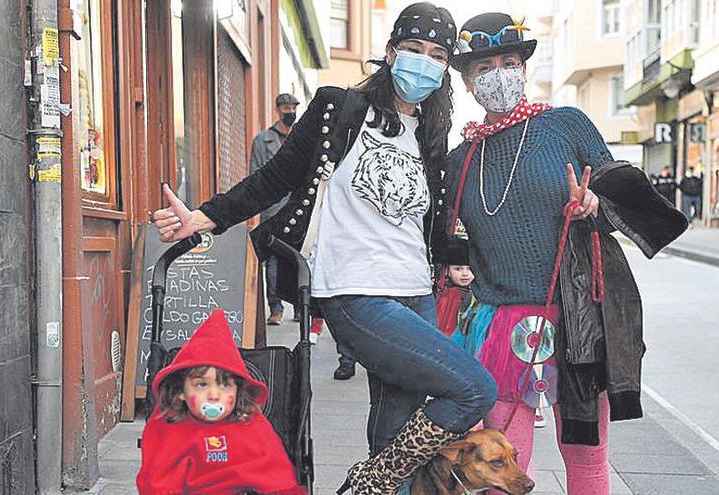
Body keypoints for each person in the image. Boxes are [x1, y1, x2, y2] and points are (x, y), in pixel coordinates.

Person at [152, 3, 496, 494]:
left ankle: (376, 482)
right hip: (356, 292)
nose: (424, 62)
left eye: (437, 55)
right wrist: (205, 217)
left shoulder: (432, 134)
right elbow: (277, 176)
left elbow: (435, 233)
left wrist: (487, 255)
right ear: (391, 51)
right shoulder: (341, 107)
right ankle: (364, 484)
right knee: (474, 389)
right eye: (414, 49)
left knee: (395, 426)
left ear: (445, 68)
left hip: (417, 291)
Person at [446, 13, 687, 495]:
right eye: (485, 65)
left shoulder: (565, 126)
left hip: (577, 319)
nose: (498, 73)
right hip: (500, 328)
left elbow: (629, 203)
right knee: (501, 468)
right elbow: (450, 242)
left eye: (508, 61)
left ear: (523, 68)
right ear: (468, 80)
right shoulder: (460, 159)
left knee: (586, 457)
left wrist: (595, 205)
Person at [136, 309, 306, 495]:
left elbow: (275, 474)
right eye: (201, 384)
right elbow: (159, 480)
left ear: (237, 390)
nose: (214, 395)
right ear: (181, 392)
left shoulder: (252, 425)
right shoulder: (171, 428)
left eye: (225, 385)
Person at [251, 93, 300, 326]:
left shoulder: (302, 136)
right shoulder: (263, 140)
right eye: (287, 108)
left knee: (300, 256)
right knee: (273, 258)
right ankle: (276, 308)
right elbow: (257, 175)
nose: (290, 111)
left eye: (294, 107)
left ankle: (301, 307)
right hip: (274, 208)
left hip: (300, 206)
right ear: (278, 110)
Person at [435, 264, 474, 337]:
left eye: (470, 269)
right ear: (447, 271)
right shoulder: (439, 290)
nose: (465, 274)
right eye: (458, 269)